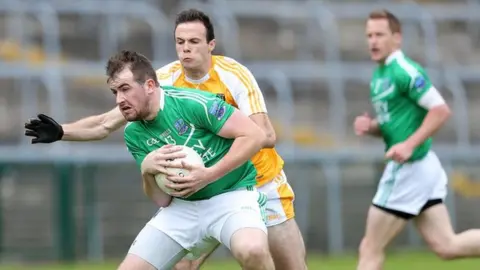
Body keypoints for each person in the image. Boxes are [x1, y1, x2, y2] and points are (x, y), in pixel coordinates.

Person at [24, 9, 306, 270]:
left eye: (194, 41)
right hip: (195, 191)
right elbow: (105, 123)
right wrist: (62, 131)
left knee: (287, 265)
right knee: (181, 266)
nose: (186, 47)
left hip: (255, 181)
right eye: (180, 41)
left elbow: (265, 135)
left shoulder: (232, 75)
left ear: (211, 45)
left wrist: (211, 150)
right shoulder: (163, 81)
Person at [111, 50, 275, 269]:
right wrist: (146, 172)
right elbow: (162, 201)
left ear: (149, 86)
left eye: (125, 89)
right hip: (182, 208)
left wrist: (207, 176)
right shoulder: (133, 133)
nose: (119, 100)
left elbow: (255, 135)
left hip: (231, 198)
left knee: (252, 250)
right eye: (115, 92)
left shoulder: (192, 103)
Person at [353, 9, 480, 270]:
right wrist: (372, 127)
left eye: (379, 35)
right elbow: (393, 125)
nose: (373, 41)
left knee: (369, 247)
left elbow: (440, 110)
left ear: (397, 38)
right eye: (369, 35)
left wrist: (409, 145)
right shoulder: (380, 74)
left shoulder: (404, 70)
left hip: (410, 168)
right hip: (423, 167)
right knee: (447, 246)